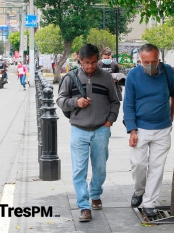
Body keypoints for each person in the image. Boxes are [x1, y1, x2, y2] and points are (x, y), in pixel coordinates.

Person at [56, 44, 120, 222]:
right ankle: (84, 206)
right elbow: (60, 100)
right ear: (79, 61)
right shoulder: (71, 77)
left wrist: (110, 121)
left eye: (93, 62)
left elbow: (115, 101)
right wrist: (76, 102)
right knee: (79, 170)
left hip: (101, 129)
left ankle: (96, 194)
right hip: (78, 130)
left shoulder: (106, 77)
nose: (90, 66)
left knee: (100, 168)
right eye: (86, 63)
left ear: (98, 59)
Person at [123, 43, 174, 217]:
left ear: (159, 60)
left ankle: (150, 203)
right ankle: (139, 191)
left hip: (162, 128)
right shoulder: (133, 75)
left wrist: (171, 113)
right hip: (140, 128)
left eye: (153, 61)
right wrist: (132, 130)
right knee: (138, 164)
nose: (149, 65)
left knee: (157, 167)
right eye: (145, 62)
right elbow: (128, 104)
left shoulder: (167, 72)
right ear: (140, 60)